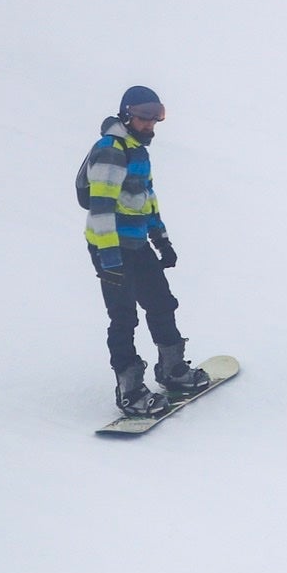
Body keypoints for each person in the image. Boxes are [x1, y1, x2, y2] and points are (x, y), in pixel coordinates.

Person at [79, 86, 209, 416]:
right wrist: (109, 258)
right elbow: (102, 208)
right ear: (127, 115)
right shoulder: (110, 150)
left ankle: (171, 369)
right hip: (110, 248)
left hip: (136, 245)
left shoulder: (138, 150)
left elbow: (147, 200)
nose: (150, 125)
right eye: (144, 119)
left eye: (155, 119)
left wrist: (161, 239)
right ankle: (130, 389)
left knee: (161, 303)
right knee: (123, 318)